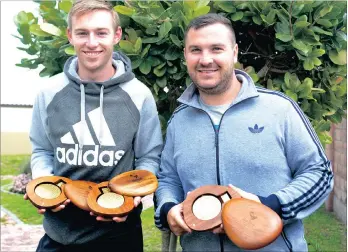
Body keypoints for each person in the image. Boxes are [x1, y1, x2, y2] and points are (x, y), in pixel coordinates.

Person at [154, 13, 333, 251]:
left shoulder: (279, 109)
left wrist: (269, 206)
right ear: (186, 55)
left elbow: (319, 174)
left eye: (216, 48)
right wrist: (167, 208)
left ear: (235, 52)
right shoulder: (180, 120)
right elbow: (168, 178)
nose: (206, 59)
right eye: (196, 50)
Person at [25, 0, 163, 251]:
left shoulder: (139, 95)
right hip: (59, 234)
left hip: (119, 235)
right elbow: (42, 150)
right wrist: (43, 186)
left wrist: (133, 198)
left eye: (101, 32)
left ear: (116, 35)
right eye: (82, 33)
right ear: (70, 36)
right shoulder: (48, 92)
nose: (91, 42)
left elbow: (149, 157)